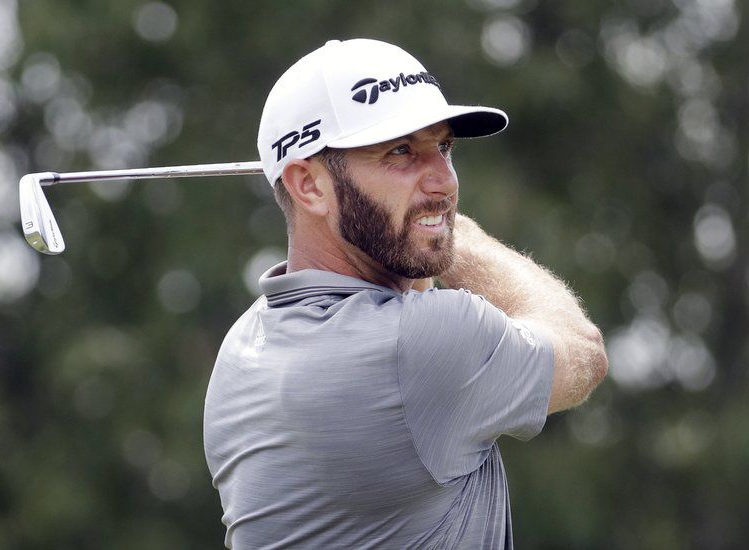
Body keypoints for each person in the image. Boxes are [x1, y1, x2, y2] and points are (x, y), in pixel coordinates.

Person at [203, 38, 608, 549]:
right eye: (399, 151)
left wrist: (419, 224)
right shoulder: (421, 345)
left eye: (443, 147)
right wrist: (464, 241)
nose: (443, 180)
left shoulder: (244, 346)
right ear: (309, 186)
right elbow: (582, 351)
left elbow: (405, 288)